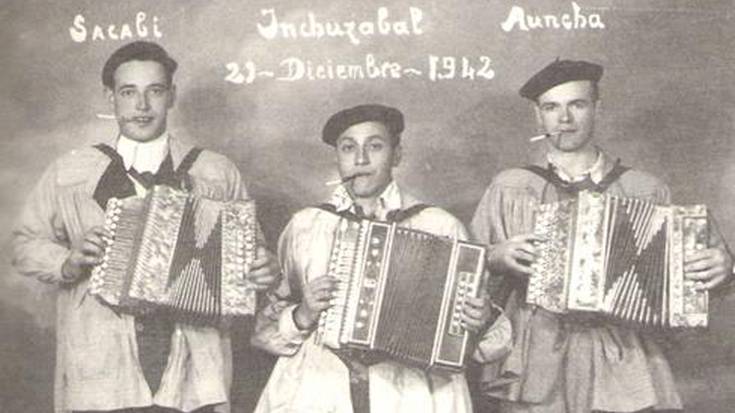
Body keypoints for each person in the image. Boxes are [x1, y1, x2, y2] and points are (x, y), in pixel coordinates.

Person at [11, 41, 280, 413]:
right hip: (100, 366)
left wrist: (265, 267)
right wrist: (68, 261)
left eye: (154, 91)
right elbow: (24, 244)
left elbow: (255, 257)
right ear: (110, 98)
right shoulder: (70, 172)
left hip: (194, 372)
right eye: (128, 92)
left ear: (171, 96)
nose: (141, 106)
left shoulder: (216, 172)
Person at [470, 59, 733, 413]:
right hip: (534, 356)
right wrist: (494, 256)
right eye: (551, 107)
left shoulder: (645, 189)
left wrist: (725, 271)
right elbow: (465, 275)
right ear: (538, 117)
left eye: (577, 105)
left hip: (623, 359)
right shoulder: (510, 187)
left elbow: (685, 288)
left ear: (598, 108)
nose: (564, 119)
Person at [251, 104, 510, 412]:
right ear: (337, 158)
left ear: (396, 155)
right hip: (318, 385)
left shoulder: (441, 226)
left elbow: (486, 345)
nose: (360, 159)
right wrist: (302, 314)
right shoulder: (305, 225)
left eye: (375, 146)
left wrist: (481, 320)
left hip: (413, 393)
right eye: (348, 148)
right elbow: (265, 331)